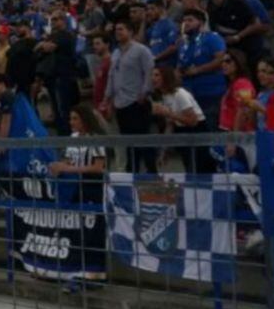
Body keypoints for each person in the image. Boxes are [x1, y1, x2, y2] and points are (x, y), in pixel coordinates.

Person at [102, 21, 155, 173]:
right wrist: (107, 98)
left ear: (130, 32)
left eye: (121, 29)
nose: (118, 32)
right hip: (120, 103)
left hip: (137, 102)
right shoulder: (116, 52)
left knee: (143, 142)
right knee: (128, 143)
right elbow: (112, 76)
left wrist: (145, 92)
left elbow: (149, 71)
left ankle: (153, 174)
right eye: (116, 29)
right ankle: (132, 173)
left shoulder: (141, 50)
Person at [151, 66, 216, 173]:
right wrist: (164, 151)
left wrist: (169, 113)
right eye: (152, 75)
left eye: (157, 75)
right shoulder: (164, 97)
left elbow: (193, 121)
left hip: (197, 133)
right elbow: (170, 125)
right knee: (189, 169)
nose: (153, 78)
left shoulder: (180, 94)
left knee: (200, 169)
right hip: (182, 133)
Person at [177, 8, 227, 127]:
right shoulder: (183, 43)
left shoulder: (212, 38)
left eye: (190, 20)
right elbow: (180, 64)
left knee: (210, 128)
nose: (186, 23)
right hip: (190, 94)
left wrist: (198, 70)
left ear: (201, 23)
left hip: (211, 91)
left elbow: (221, 59)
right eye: (184, 20)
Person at [48, 104, 107, 203]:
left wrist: (69, 169)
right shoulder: (73, 137)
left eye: (75, 119)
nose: (71, 122)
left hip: (92, 184)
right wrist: (58, 166)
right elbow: (68, 161)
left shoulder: (95, 138)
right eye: (70, 119)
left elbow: (98, 167)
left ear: (84, 119)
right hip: (75, 184)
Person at [36, 13, 79, 136]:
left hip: (64, 76)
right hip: (53, 76)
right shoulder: (53, 35)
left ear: (63, 21)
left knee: (63, 109)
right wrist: (42, 45)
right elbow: (38, 49)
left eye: (56, 19)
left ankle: (68, 137)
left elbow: (47, 48)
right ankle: (63, 136)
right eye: (52, 20)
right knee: (57, 110)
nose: (53, 22)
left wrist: (42, 45)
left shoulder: (64, 35)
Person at [219, 49, 256, 172]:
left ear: (238, 63)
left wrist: (233, 139)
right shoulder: (233, 84)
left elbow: (243, 110)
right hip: (236, 135)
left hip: (243, 137)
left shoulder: (242, 84)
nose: (224, 64)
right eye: (222, 61)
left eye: (228, 61)